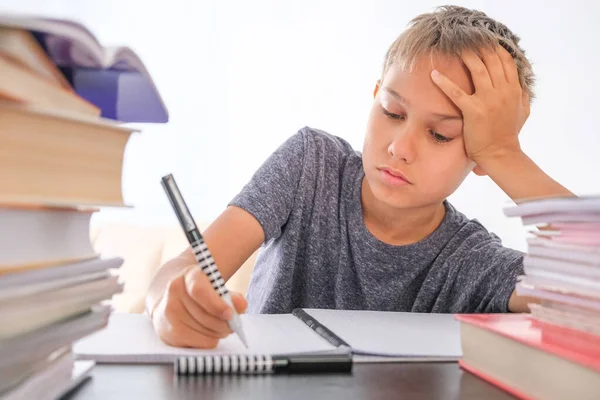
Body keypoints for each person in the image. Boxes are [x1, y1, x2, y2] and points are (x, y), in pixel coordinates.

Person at [146, 5, 573, 348]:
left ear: (479, 154)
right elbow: (184, 268)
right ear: (375, 97)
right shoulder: (311, 165)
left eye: (440, 134)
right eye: (392, 112)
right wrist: (167, 303)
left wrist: (505, 153)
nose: (399, 148)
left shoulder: (472, 262)